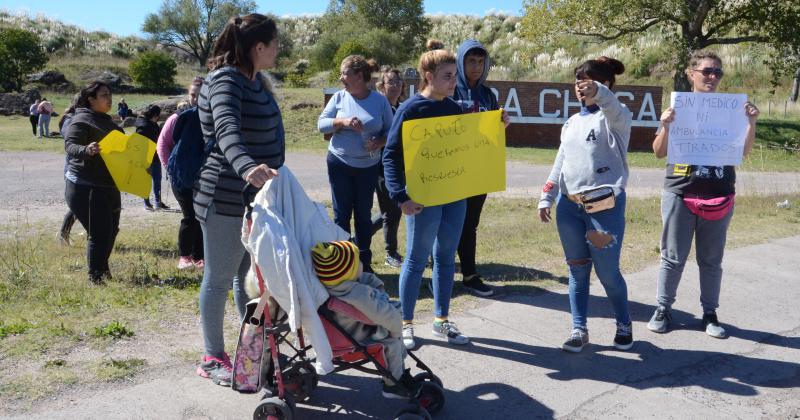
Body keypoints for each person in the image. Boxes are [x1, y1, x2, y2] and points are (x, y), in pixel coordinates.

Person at [194, 13, 285, 387]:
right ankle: (212, 356)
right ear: (257, 48)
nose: (279, 50)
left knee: (245, 276)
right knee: (218, 278)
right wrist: (248, 166)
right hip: (225, 197)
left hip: (255, 199)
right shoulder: (225, 81)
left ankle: (250, 346)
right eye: (275, 44)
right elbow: (226, 129)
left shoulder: (256, 80)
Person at [647, 51, 760, 339]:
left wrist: (751, 124)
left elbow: (743, 152)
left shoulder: (732, 109)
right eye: (707, 71)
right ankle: (663, 308)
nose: (712, 77)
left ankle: (709, 313)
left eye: (718, 73)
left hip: (719, 194)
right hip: (680, 192)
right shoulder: (678, 107)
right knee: (672, 257)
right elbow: (659, 152)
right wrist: (666, 125)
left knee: (711, 260)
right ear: (691, 73)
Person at [537, 57, 634, 353]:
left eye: (589, 81)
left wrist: (600, 93)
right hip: (569, 209)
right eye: (579, 81)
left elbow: (612, 105)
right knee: (577, 271)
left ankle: (624, 324)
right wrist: (547, 195)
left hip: (604, 208)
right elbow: (560, 162)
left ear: (606, 85)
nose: (582, 87)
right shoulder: (571, 122)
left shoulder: (615, 117)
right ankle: (579, 329)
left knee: (607, 273)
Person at [383, 39, 470, 350]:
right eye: (447, 75)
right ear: (428, 76)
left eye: (455, 76)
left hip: (455, 196)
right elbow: (391, 156)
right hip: (421, 198)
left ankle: (441, 320)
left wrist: (498, 123)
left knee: (446, 259)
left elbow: (473, 139)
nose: (454, 82)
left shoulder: (454, 108)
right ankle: (405, 323)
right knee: (417, 260)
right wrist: (400, 196)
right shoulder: (410, 108)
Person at [310, 241, 418, 398]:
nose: (362, 263)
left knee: (392, 339)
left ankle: (399, 374)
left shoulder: (333, 286)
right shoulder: (358, 296)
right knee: (392, 344)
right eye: (358, 262)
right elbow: (387, 316)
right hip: (356, 340)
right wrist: (396, 330)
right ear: (350, 272)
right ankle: (392, 385)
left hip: (345, 333)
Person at [318, 55, 393, 272]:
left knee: (363, 213)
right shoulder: (339, 97)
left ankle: (364, 263)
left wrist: (379, 141)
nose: (341, 78)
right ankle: (342, 263)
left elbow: (392, 130)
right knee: (341, 214)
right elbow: (321, 124)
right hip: (339, 163)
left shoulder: (379, 101)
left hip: (367, 168)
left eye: (345, 74)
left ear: (359, 76)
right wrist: (341, 122)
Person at [452, 39, 504, 297]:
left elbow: (491, 136)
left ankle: (470, 276)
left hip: (477, 172)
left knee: (470, 225)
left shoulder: (488, 95)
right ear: (461, 62)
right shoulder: (449, 90)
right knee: (448, 224)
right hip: (449, 171)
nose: (475, 66)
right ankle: (440, 277)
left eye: (480, 61)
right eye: (470, 61)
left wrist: (501, 124)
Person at [64, 81, 123, 284]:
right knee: (99, 232)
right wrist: (86, 150)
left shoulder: (108, 121)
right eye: (104, 95)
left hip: (109, 184)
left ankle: (102, 266)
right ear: (91, 99)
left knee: (112, 229)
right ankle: (95, 277)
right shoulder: (81, 120)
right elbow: (70, 145)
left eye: (110, 94)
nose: (109, 98)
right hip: (85, 185)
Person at [157, 82, 202, 270]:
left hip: (203, 177)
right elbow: (162, 144)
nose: (196, 99)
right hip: (181, 177)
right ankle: (184, 256)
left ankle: (200, 256)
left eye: (200, 94)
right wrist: (170, 169)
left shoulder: (212, 117)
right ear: (188, 95)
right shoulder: (177, 118)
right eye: (193, 94)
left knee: (202, 217)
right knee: (190, 215)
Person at [371, 67, 406, 268]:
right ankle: (390, 253)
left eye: (398, 82)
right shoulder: (380, 108)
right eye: (390, 82)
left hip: (401, 168)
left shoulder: (401, 108)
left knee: (390, 212)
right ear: (382, 86)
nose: (395, 85)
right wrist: (387, 140)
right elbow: (376, 138)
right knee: (392, 212)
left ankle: (358, 239)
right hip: (382, 168)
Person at [135, 105, 168, 210]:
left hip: (156, 156)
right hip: (146, 158)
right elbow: (138, 144)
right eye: (158, 116)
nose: (158, 118)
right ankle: (147, 203)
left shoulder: (152, 124)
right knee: (147, 181)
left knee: (157, 180)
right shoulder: (143, 126)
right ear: (154, 115)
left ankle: (158, 202)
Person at [58, 94, 80, 246]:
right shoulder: (69, 119)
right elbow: (70, 138)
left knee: (83, 206)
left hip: (84, 168)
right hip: (74, 168)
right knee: (77, 206)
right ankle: (63, 235)